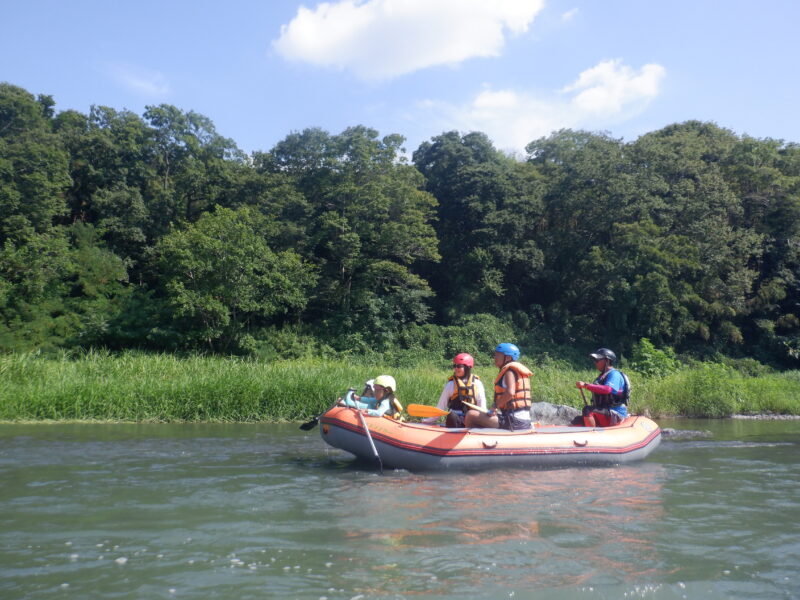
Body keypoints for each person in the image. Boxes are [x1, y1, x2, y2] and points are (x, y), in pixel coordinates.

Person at [464, 343, 533, 431]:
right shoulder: (516, 371)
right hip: (521, 420)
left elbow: (510, 393)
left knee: (471, 414)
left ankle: (470, 441)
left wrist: (495, 406)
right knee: (480, 416)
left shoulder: (509, 372)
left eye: (498, 355)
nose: (495, 358)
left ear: (508, 358)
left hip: (514, 421)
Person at [422, 353, 487, 427]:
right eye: (454, 366)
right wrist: (426, 421)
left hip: (471, 420)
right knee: (452, 415)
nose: (455, 368)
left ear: (467, 368)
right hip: (455, 420)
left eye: (459, 366)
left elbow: (482, 407)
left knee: (475, 417)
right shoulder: (451, 384)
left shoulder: (477, 384)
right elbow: (440, 408)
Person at [574, 348, 629, 427]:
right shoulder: (602, 377)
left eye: (597, 360)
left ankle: (592, 435)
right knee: (577, 420)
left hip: (615, 413)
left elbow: (607, 389)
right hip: (604, 412)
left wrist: (586, 385)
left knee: (587, 410)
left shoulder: (614, 374)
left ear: (607, 361)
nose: (595, 362)